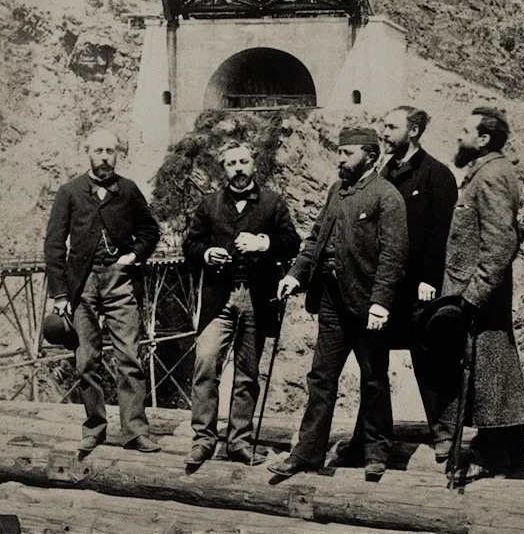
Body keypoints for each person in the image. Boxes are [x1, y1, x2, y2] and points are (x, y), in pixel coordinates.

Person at [268, 127, 409, 481]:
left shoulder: (386, 197)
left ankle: (377, 453)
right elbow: (316, 237)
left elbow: (393, 256)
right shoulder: (337, 191)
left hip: (366, 304)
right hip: (331, 301)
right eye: (339, 153)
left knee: (373, 378)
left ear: (371, 156)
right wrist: (295, 275)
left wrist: (381, 302)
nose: (340, 160)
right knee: (321, 378)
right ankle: (308, 452)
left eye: (347, 154)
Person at [338, 106, 458, 464]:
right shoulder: (382, 175)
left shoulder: (437, 174)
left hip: (420, 289)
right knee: (373, 365)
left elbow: (442, 234)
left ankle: (445, 434)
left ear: (415, 130)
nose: (384, 132)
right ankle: (370, 438)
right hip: (384, 289)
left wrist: (430, 279)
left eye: (391, 126)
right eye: (382, 126)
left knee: (429, 359)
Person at [182, 141, 300, 468]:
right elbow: (190, 244)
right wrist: (206, 253)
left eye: (243, 161)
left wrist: (264, 243)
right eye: (231, 163)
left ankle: (238, 441)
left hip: (257, 297)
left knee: (247, 374)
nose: (238, 168)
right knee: (206, 363)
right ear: (224, 169)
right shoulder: (209, 205)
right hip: (219, 297)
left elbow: (293, 242)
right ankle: (203, 440)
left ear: (254, 165)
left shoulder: (273, 203)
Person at [44, 129, 160, 455]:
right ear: (88, 153)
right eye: (99, 150)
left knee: (129, 357)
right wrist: (61, 294)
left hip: (120, 282)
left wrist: (134, 255)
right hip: (81, 286)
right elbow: (54, 246)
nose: (105, 156)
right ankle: (94, 428)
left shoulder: (128, 191)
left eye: (111, 150)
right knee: (86, 361)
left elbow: (150, 230)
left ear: (117, 153)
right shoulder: (69, 192)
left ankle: (135, 431)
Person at [441, 107, 524, 480]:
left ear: (483, 140)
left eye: (465, 131)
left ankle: (491, 454)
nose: (458, 137)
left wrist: (473, 295)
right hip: (480, 291)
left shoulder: (491, 175)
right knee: (496, 370)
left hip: (481, 296)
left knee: (491, 372)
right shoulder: (485, 172)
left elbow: (499, 242)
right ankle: (511, 452)